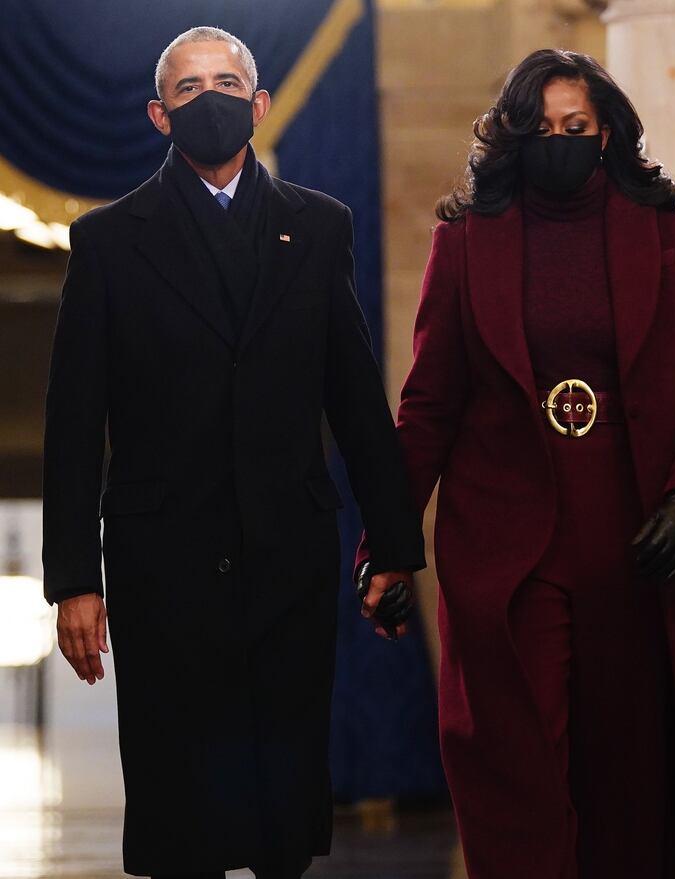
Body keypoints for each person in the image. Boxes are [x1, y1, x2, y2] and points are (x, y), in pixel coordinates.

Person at [42, 26, 424, 879]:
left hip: (287, 555)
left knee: (283, 809)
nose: (207, 98)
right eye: (187, 88)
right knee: (185, 816)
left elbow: (356, 400)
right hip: (161, 566)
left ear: (258, 105)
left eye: (225, 82)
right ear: (159, 114)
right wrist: (73, 578)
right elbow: (72, 423)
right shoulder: (108, 241)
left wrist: (394, 548)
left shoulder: (319, 228)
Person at [357, 49, 675, 879]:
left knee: (630, 789)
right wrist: (385, 543)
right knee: (516, 780)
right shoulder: (465, 241)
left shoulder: (668, 230)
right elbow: (426, 408)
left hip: (635, 553)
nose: (559, 141)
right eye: (540, 129)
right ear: (510, 139)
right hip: (506, 557)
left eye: (577, 128)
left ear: (608, 134)